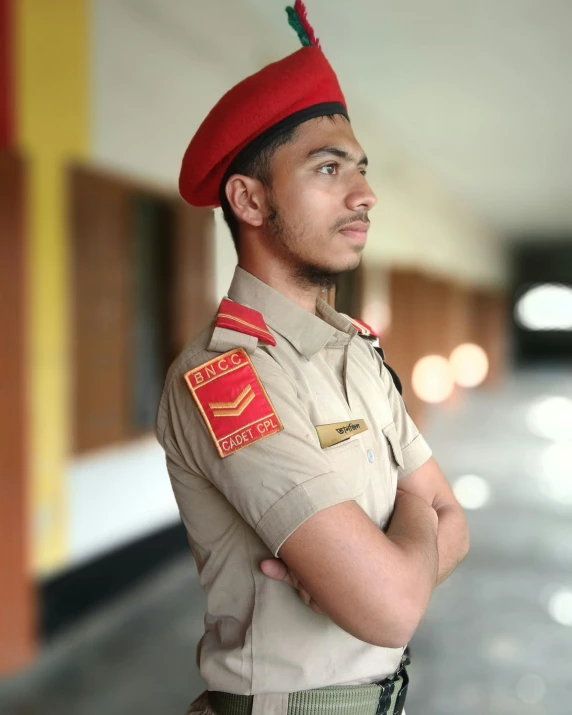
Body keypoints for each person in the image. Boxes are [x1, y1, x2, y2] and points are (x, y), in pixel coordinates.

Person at [155, 2, 470, 713]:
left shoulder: (355, 351)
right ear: (250, 200)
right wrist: (410, 527)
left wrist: (390, 556)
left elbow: (458, 519)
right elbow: (392, 606)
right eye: (329, 169)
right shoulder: (228, 377)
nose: (366, 195)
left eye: (360, 168)